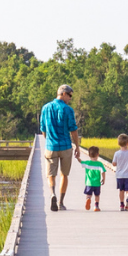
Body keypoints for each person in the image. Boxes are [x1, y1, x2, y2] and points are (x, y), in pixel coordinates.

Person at [40, 84, 80, 212]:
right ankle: (61, 203)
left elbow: (43, 130)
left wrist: (48, 140)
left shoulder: (45, 108)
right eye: (69, 95)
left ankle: (52, 194)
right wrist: (77, 146)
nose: (70, 98)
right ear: (63, 94)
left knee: (51, 175)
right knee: (64, 174)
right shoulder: (68, 110)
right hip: (66, 147)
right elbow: (73, 130)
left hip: (51, 146)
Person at [76, 146, 106, 212]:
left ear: (89, 155)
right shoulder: (99, 164)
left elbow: (81, 161)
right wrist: (103, 179)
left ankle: (88, 199)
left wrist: (78, 157)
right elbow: (103, 172)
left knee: (89, 194)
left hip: (89, 183)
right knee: (97, 195)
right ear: (98, 154)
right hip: (97, 183)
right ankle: (96, 206)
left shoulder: (87, 163)